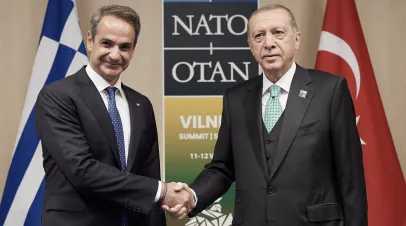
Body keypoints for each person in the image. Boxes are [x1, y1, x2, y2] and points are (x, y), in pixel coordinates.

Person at [164, 4, 368, 226]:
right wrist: (192, 196)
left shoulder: (330, 90)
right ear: (251, 46)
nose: (269, 43)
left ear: (297, 39)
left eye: (278, 33)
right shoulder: (236, 98)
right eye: (259, 36)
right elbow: (222, 167)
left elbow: (351, 178)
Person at [35, 5, 194, 226]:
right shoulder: (57, 96)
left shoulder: (141, 104)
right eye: (107, 43)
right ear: (90, 41)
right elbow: (83, 171)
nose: (115, 54)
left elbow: (149, 175)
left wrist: (160, 198)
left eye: (124, 46)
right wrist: (161, 191)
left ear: (133, 49)